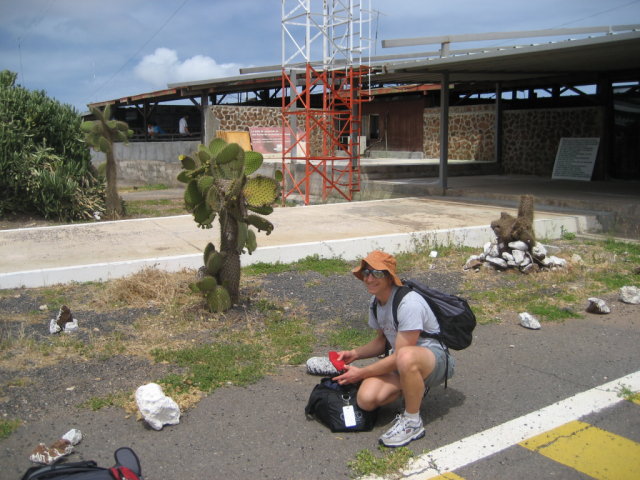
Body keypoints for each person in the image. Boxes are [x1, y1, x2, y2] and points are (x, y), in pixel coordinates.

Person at [333, 250, 455, 448]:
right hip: (404, 362)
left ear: (390, 277)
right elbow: (383, 341)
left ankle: (413, 421)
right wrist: (354, 354)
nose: (369, 278)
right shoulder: (376, 302)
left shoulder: (409, 303)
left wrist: (362, 373)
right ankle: (414, 387)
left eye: (377, 273)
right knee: (366, 400)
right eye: (366, 273)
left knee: (406, 356)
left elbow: (400, 355)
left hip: (435, 361)